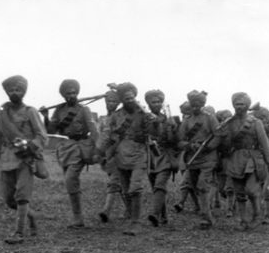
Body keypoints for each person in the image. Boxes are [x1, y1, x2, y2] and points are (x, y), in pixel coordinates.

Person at [0, 75, 48, 244]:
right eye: (11, 90)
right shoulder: (2, 114)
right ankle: (32, 216)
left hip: (25, 159)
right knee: (9, 199)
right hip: (7, 159)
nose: (14, 92)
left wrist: (31, 146)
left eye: (18, 89)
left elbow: (42, 136)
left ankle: (19, 233)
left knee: (22, 195)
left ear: (24, 92)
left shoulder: (30, 112)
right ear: (7, 92)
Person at [95, 82, 154, 235]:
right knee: (127, 190)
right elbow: (107, 134)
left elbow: (155, 132)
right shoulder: (116, 116)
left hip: (139, 154)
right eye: (126, 98)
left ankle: (136, 223)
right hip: (121, 155)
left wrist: (153, 122)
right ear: (122, 99)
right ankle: (131, 218)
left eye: (131, 97)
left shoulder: (143, 113)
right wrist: (99, 151)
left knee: (135, 188)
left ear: (135, 97)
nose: (129, 100)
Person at [40, 79, 98, 228]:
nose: (72, 95)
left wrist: (96, 148)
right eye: (68, 93)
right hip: (65, 148)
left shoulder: (83, 109)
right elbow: (52, 130)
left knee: (70, 179)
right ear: (64, 95)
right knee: (70, 182)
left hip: (80, 148)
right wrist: (45, 116)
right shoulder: (59, 110)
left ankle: (78, 219)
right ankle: (77, 217)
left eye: (74, 92)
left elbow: (94, 129)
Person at [221, 94, 269, 230]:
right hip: (235, 159)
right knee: (239, 192)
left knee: (251, 190)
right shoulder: (229, 122)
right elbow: (224, 143)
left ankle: (257, 215)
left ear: (247, 105)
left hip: (253, 159)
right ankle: (243, 221)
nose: (239, 107)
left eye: (242, 104)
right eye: (236, 104)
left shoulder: (255, 122)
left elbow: (265, 144)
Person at [177, 90, 221, 229]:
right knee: (196, 187)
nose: (195, 106)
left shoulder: (210, 118)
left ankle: (206, 218)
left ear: (202, 104)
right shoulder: (187, 121)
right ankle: (205, 211)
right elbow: (180, 141)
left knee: (203, 185)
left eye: (198, 104)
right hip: (193, 158)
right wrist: (190, 145)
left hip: (208, 157)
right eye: (193, 104)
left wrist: (208, 147)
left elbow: (218, 135)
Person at [145, 89, 179, 227]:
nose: (157, 104)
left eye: (159, 101)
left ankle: (155, 213)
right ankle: (163, 216)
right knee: (155, 187)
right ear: (149, 103)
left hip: (165, 155)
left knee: (160, 185)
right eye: (154, 102)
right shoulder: (145, 118)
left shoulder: (168, 119)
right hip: (150, 156)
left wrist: (172, 128)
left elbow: (174, 141)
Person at [96, 90, 125, 222]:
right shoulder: (102, 119)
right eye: (109, 101)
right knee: (122, 184)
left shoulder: (121, 117)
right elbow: (100, 137)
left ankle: (106, 210)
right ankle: (130, 209)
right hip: (107, 156)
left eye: (114, 101)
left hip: (120, 154)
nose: (111, 104)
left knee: (114, 182)